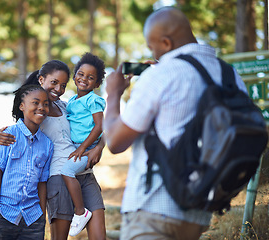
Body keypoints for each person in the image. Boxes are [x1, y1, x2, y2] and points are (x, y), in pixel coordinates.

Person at [103, 7, 247, 240]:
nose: (153, 52)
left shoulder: (161, 75)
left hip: (152, 209)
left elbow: (115, 141)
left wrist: (114, 95)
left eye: (152, 46)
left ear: (166, 43)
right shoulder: (230, 75)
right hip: (198, 212)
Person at [0, 59, 106, 240]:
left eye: (62, 85)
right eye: (54, 83)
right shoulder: (35, 111)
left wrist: (99, 147)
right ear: (41, 80)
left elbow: (94, 127)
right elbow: (18, 133)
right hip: (59, 177)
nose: (58, 89)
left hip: (83, 173)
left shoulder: (66, 106)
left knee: (99, 234)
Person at [0, 84, 54, 240]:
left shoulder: (47, 145)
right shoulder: (8, 135)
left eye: (45, 104)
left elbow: (42, 183)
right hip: (3, 214)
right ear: (22, 106)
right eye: (35, 103)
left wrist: (41, 217)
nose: (41, 107)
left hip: (32, 218)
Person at [61, 52, 106, 237]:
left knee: (67, 171)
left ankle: (80, 212)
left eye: (90, 77)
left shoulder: (93, 100)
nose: (84, 79)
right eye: (80, 74)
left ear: (97, 84)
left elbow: (100, 126)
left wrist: (85, 148)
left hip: (85, 148)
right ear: (74, 76)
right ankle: (80, 210)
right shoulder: (71, 102)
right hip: (78, 147)